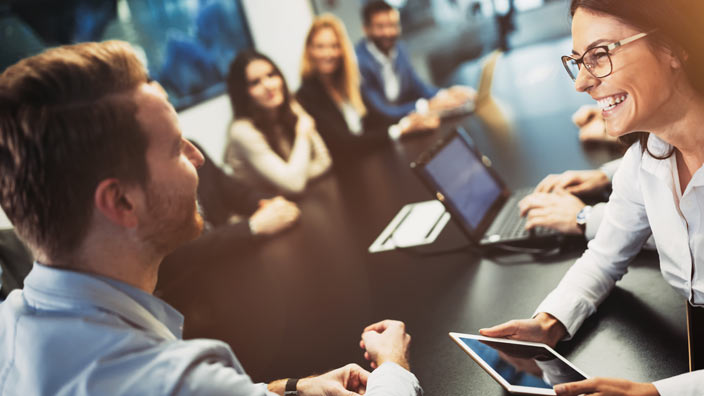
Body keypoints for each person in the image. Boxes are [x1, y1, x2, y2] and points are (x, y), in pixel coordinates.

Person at [0, 41, 421, 396]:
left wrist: (291, 388)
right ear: (122, 202)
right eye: (175, 148)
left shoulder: (14, 321)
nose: (198, 157)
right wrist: (392, 368)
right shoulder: (173, 379)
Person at [481, 0, 704, 395]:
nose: (581, 83)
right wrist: (549, 323)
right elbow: (604, 257)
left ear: (673, 46)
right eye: (578, 61)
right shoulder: (649, 156)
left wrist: (659, 393)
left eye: (600, 55)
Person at [524, 26, 704, 241]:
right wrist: (610, 173)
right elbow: (682, 135)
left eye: (602, 53)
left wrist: (584, 218)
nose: (583, 83)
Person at [296, 14, 439, 161]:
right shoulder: (306, 95)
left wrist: (411, 122)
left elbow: (376, 118)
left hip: (372, 158)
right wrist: (399, 130)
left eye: (334, 46)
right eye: (320, 47)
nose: (328, 54)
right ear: (309, 50)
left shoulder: (348, 83)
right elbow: (344, 144)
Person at [224, 50, 332, 196]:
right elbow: (294, 184)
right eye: (255, 82)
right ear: (242, 93)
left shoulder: (290, 106)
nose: (268, 85)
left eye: (271, 75)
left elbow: (325, 161)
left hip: (298, 200)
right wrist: (302, 135)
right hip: (266, 212)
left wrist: (288, 180)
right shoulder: (241, 131)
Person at [355, 0, 474, 120]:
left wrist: (445, 95)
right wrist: (426, 106)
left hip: (409, 120)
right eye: (380, 27)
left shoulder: (399, 48)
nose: (388, 32)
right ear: (366, 29)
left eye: (393, 25)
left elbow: (417, 86)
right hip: (382, 129)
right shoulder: (358, 62)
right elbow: (382, 111)